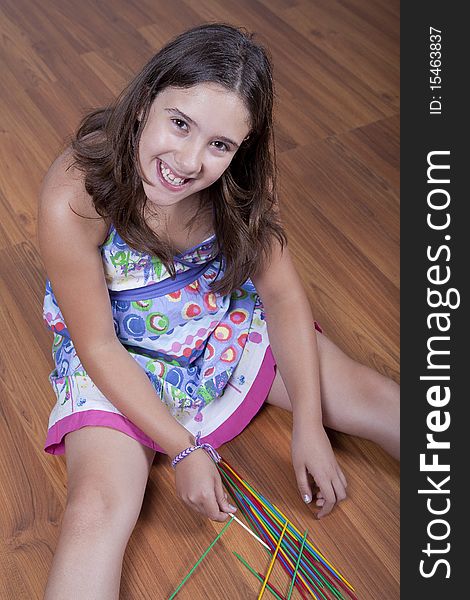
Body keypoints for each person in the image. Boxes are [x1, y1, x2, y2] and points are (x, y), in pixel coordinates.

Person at [38, 22, 399, 598]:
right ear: (143, 104)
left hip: (218, 320)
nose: (186, 160)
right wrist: (183, 447)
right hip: (116, 354)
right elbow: (99, 346)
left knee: (375, 397)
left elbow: (282, 299)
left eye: (220, 145)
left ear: (241, 151)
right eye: (179, 123)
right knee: (94, 513)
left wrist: (309, 424)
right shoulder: (74, 194)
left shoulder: (240, 192)